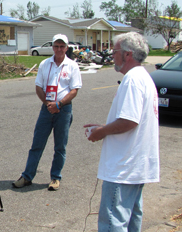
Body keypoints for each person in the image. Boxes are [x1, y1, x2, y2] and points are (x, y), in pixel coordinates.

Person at [84, 32, 159, 231]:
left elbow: (129, 121)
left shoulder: (133, 80)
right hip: (135, 166)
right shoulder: (143, 77)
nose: (112, 55)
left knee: (113, 222)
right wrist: (103, 127)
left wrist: (101, 132)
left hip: (123, 168)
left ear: (127, 54)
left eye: (115, 51)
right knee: (131, 219)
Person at [13, 34, 82, 191]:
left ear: (66, 48)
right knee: (37, 144)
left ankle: (55, 177)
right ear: (53, 47)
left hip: (63, 109)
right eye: (56, 46)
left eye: (62, 46)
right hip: (47, 108)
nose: (59, 49)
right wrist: (48, 104)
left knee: (60, 146)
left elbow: (74, 90)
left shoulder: (72, 66)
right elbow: (38, 87)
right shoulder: (45, 64)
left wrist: (59, 104)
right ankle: (27, 176)